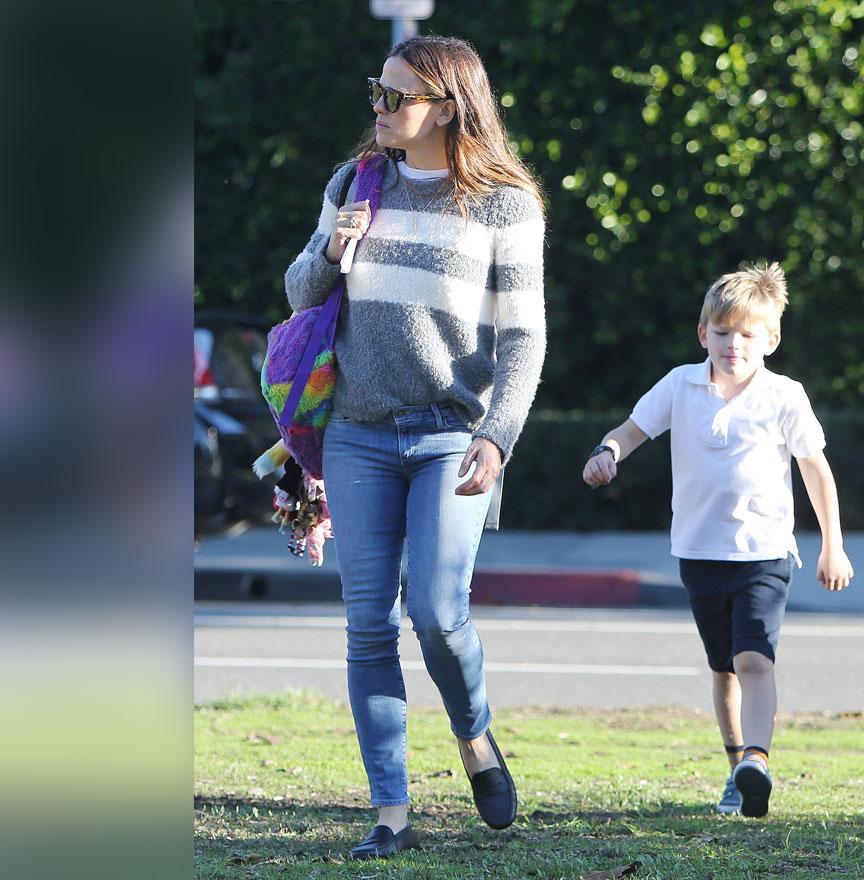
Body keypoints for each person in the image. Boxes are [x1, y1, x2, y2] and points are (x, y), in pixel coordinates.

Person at [283, 35, 545, 858]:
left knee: (437, 613)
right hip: (356, 433)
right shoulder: (356, 181)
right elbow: (298, 294)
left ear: (450, 106)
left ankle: (474, 736)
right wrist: (334, 247)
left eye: (397, 96)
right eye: (378, 90)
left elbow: (523, 339)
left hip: (451, 437)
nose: (380, 107)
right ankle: (390, 811)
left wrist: (498, 436)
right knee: (368, 625)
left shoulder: (503, 202)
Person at [582, 263, 853, 819]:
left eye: (748, 334)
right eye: (723, 332)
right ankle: (737, 768)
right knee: (723, 666)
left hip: (765, 553)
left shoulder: (785, 396)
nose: (734, 344)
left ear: (771, 340)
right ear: (704, 333)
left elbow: (815, 471)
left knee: (754, 658)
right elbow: (631, 430)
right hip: (698, 553)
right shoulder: (681, 384)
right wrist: (607, 453)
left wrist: (833, 543)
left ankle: (757, 759)